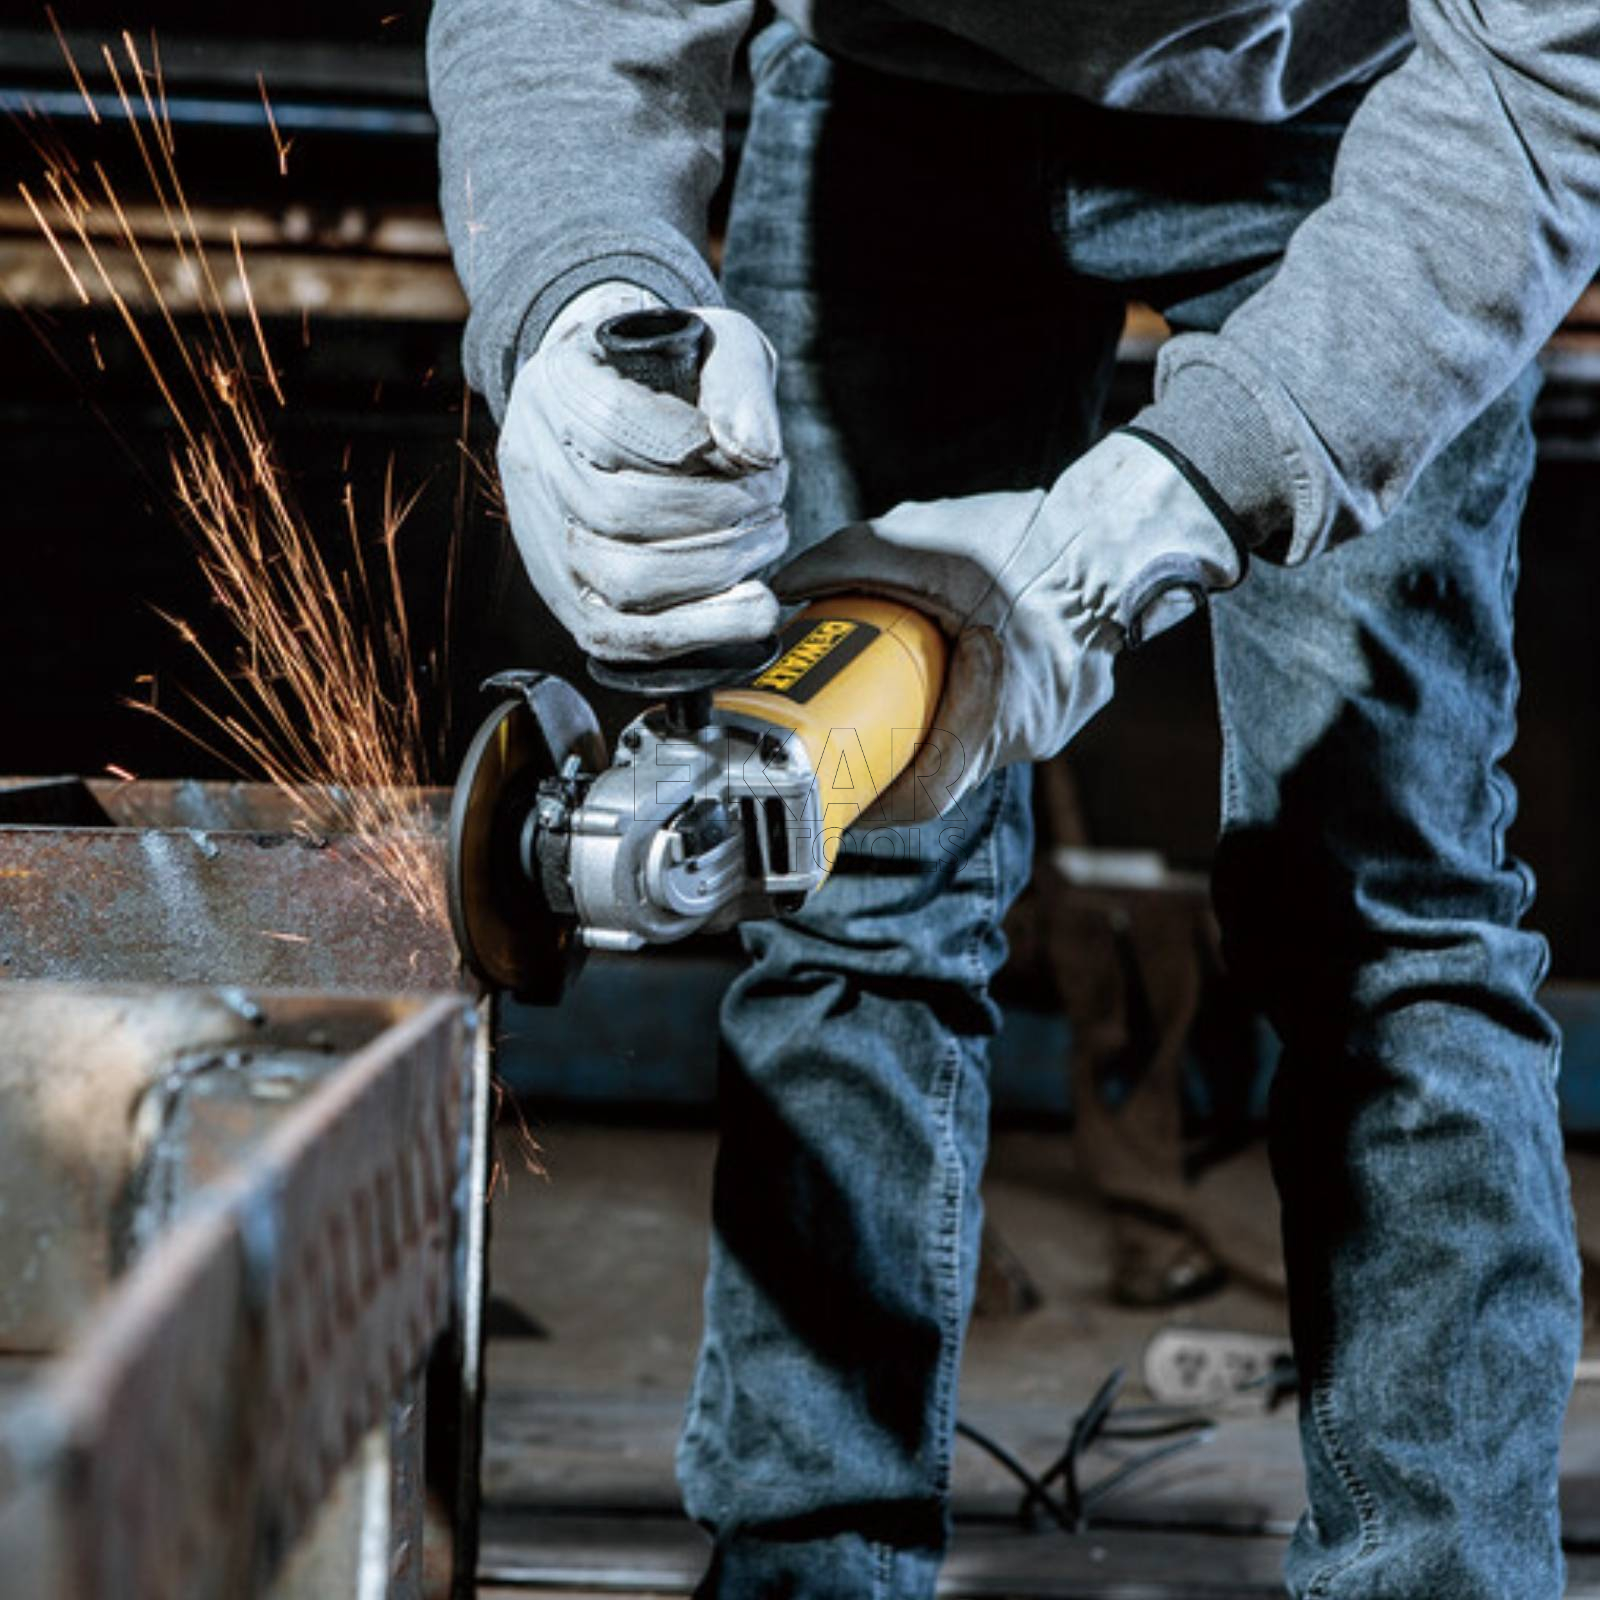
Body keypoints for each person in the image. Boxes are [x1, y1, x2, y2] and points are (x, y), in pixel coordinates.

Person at [427, 2, 1599, 1593]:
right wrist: (579, 291)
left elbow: (1551, 72)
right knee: (838, 869)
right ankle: (810, 1568)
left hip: (1367, 121)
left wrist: (1207, 480)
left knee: (1388, 911)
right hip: (898, 96)